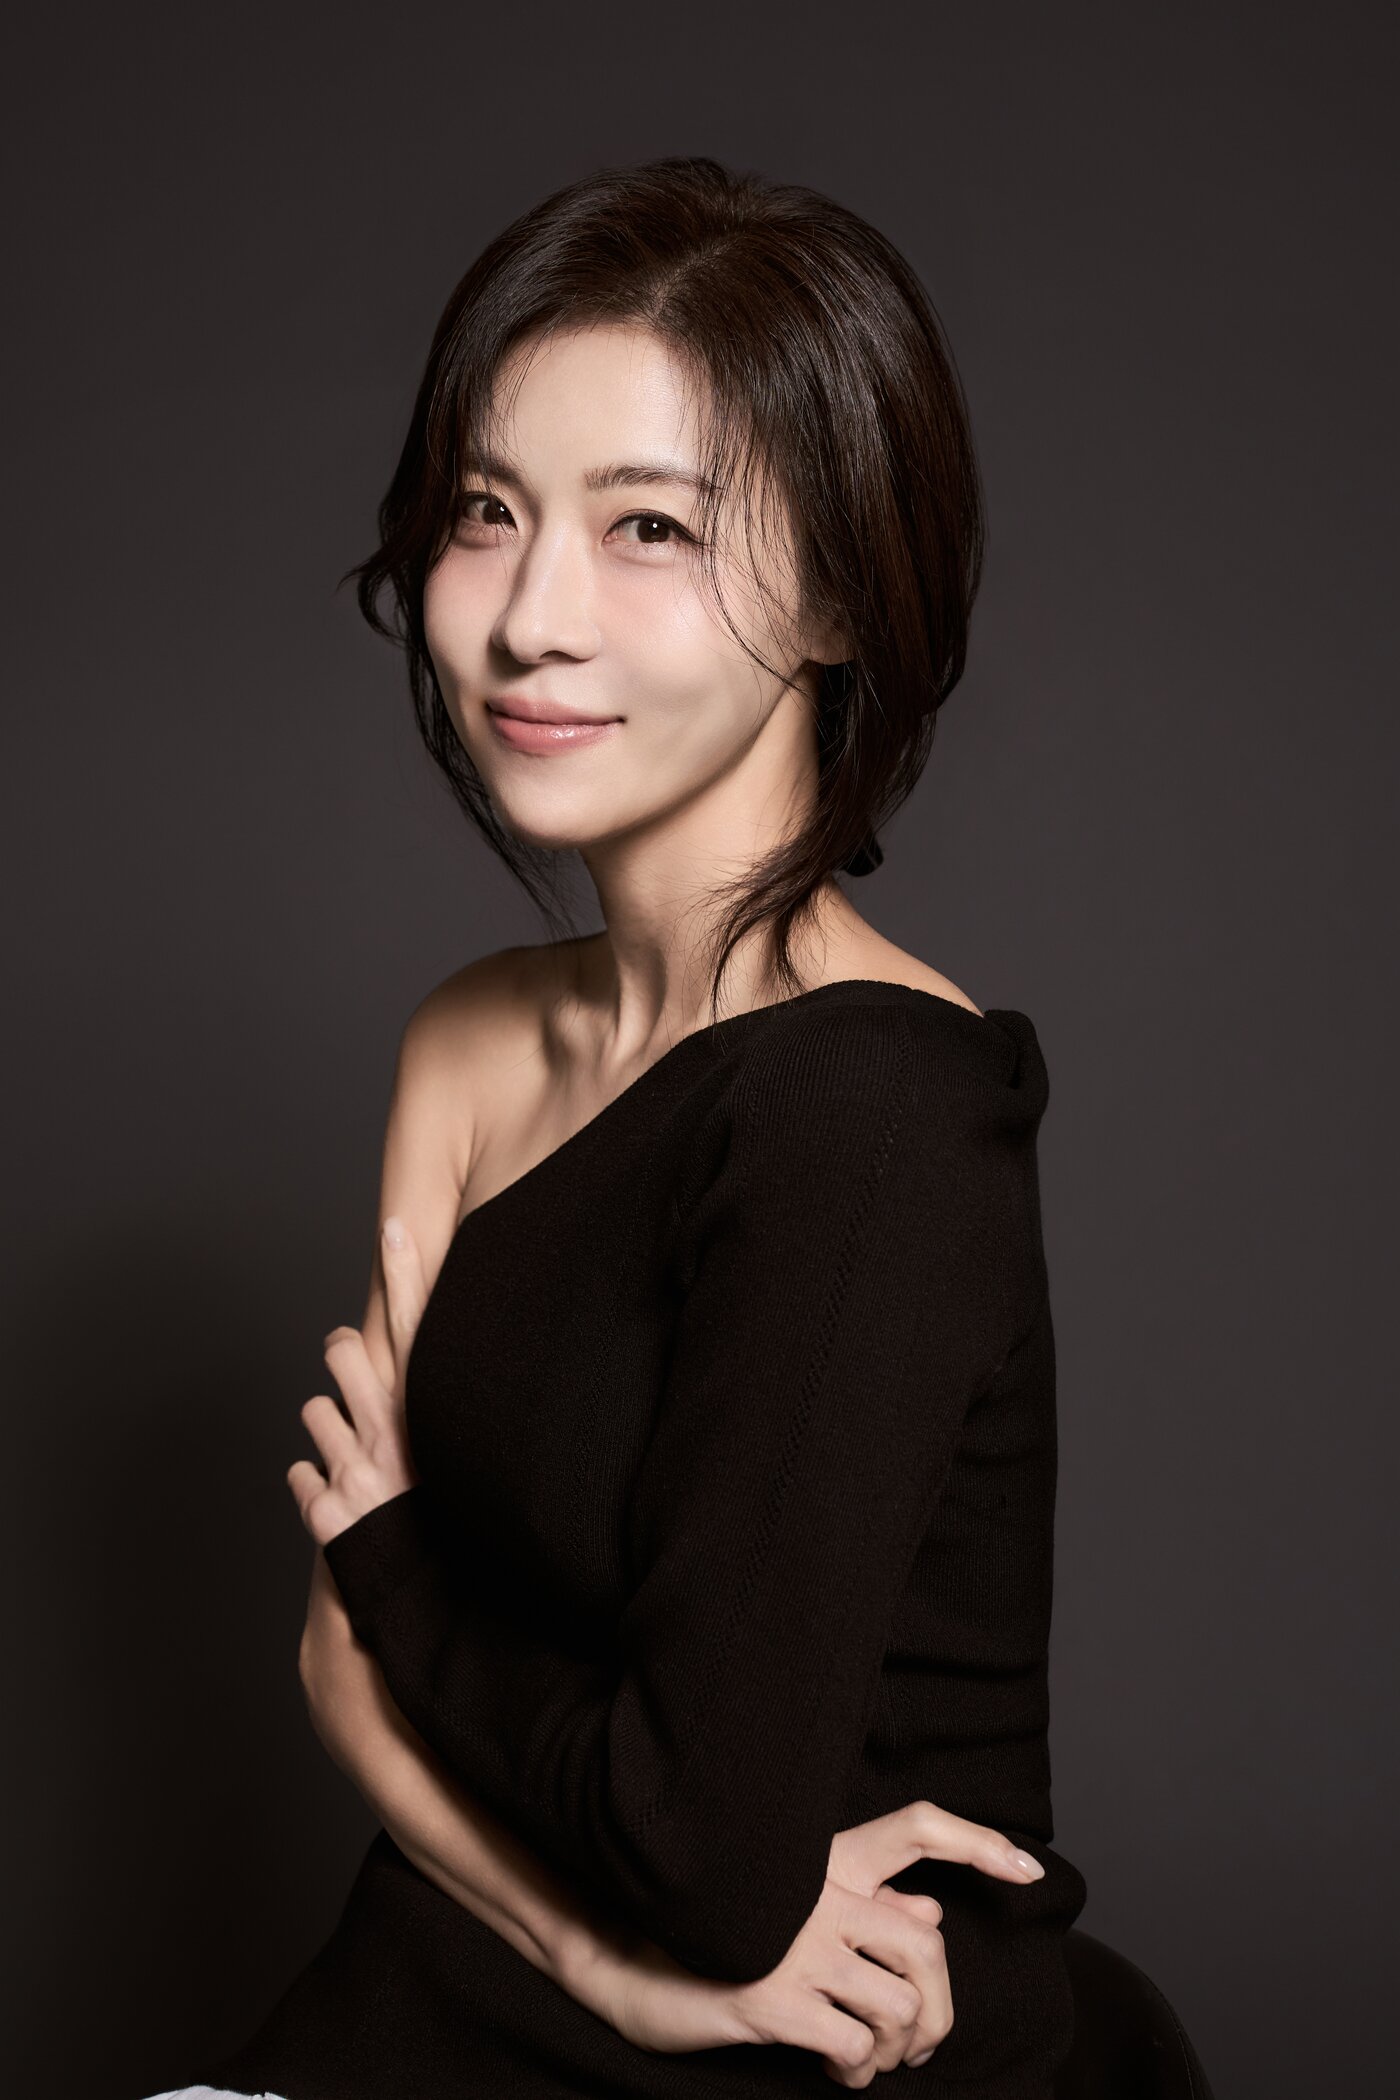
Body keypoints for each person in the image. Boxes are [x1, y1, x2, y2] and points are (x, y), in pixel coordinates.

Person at [142, 154, 1087, 2100]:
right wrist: (610, 1965)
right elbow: (334, 1667)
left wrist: (401, 1562)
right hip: (486, 1969)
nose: (527, 619)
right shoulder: (472, 1041)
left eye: (649, 527)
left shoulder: (877, 1112)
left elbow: (708, 1860)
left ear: (843, 591)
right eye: (488, 513)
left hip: (839, 2030)